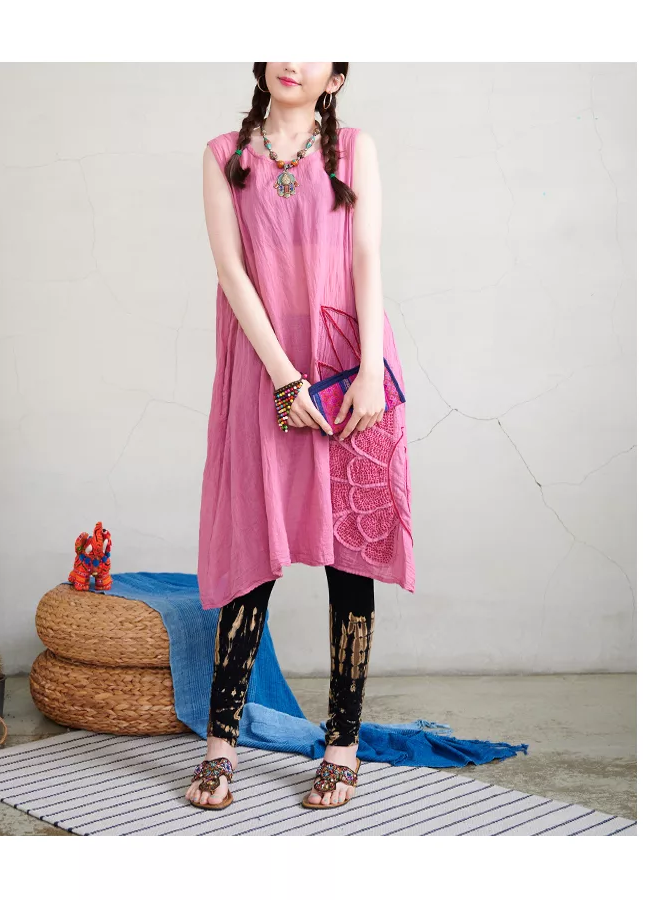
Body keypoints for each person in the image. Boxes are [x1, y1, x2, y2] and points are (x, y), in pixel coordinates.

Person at [188, 62, 415, 811]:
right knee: (252, 548)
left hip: (349, 364)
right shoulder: (223, 154)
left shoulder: (355, 147)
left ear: (337, 77)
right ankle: (220, 746)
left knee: (348, 557)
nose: (293, 57)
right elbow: (232, 271)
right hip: (265, 368)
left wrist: (371, 371)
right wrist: (285, 378)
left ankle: (342, 747)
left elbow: (366, 255)